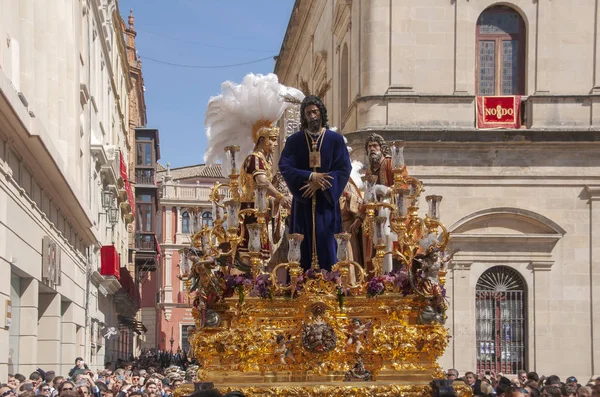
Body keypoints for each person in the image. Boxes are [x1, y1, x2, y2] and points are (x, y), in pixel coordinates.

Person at [279, 95, 351, 271]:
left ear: (321, 114)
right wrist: (311, 177)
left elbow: (343, 168)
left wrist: (321, 183)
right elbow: (285, 166)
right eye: (308, 112)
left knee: (327, 244)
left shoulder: (335, 140)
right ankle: (299, 288)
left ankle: (331, 285)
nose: (312, 116)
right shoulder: (294, 141)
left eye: (315, 111)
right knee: (300, 249)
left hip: (326, 204)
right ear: (304, 116)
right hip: (303, 202)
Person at [238, 122, 292, 261]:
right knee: (252, 253)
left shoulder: (262, 160)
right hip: (252, 211)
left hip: (260, 210)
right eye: (272, 139)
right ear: (262, 140)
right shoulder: (255, 158)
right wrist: (280, 197)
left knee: (259, 255)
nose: (275, 143)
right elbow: (262, 181)